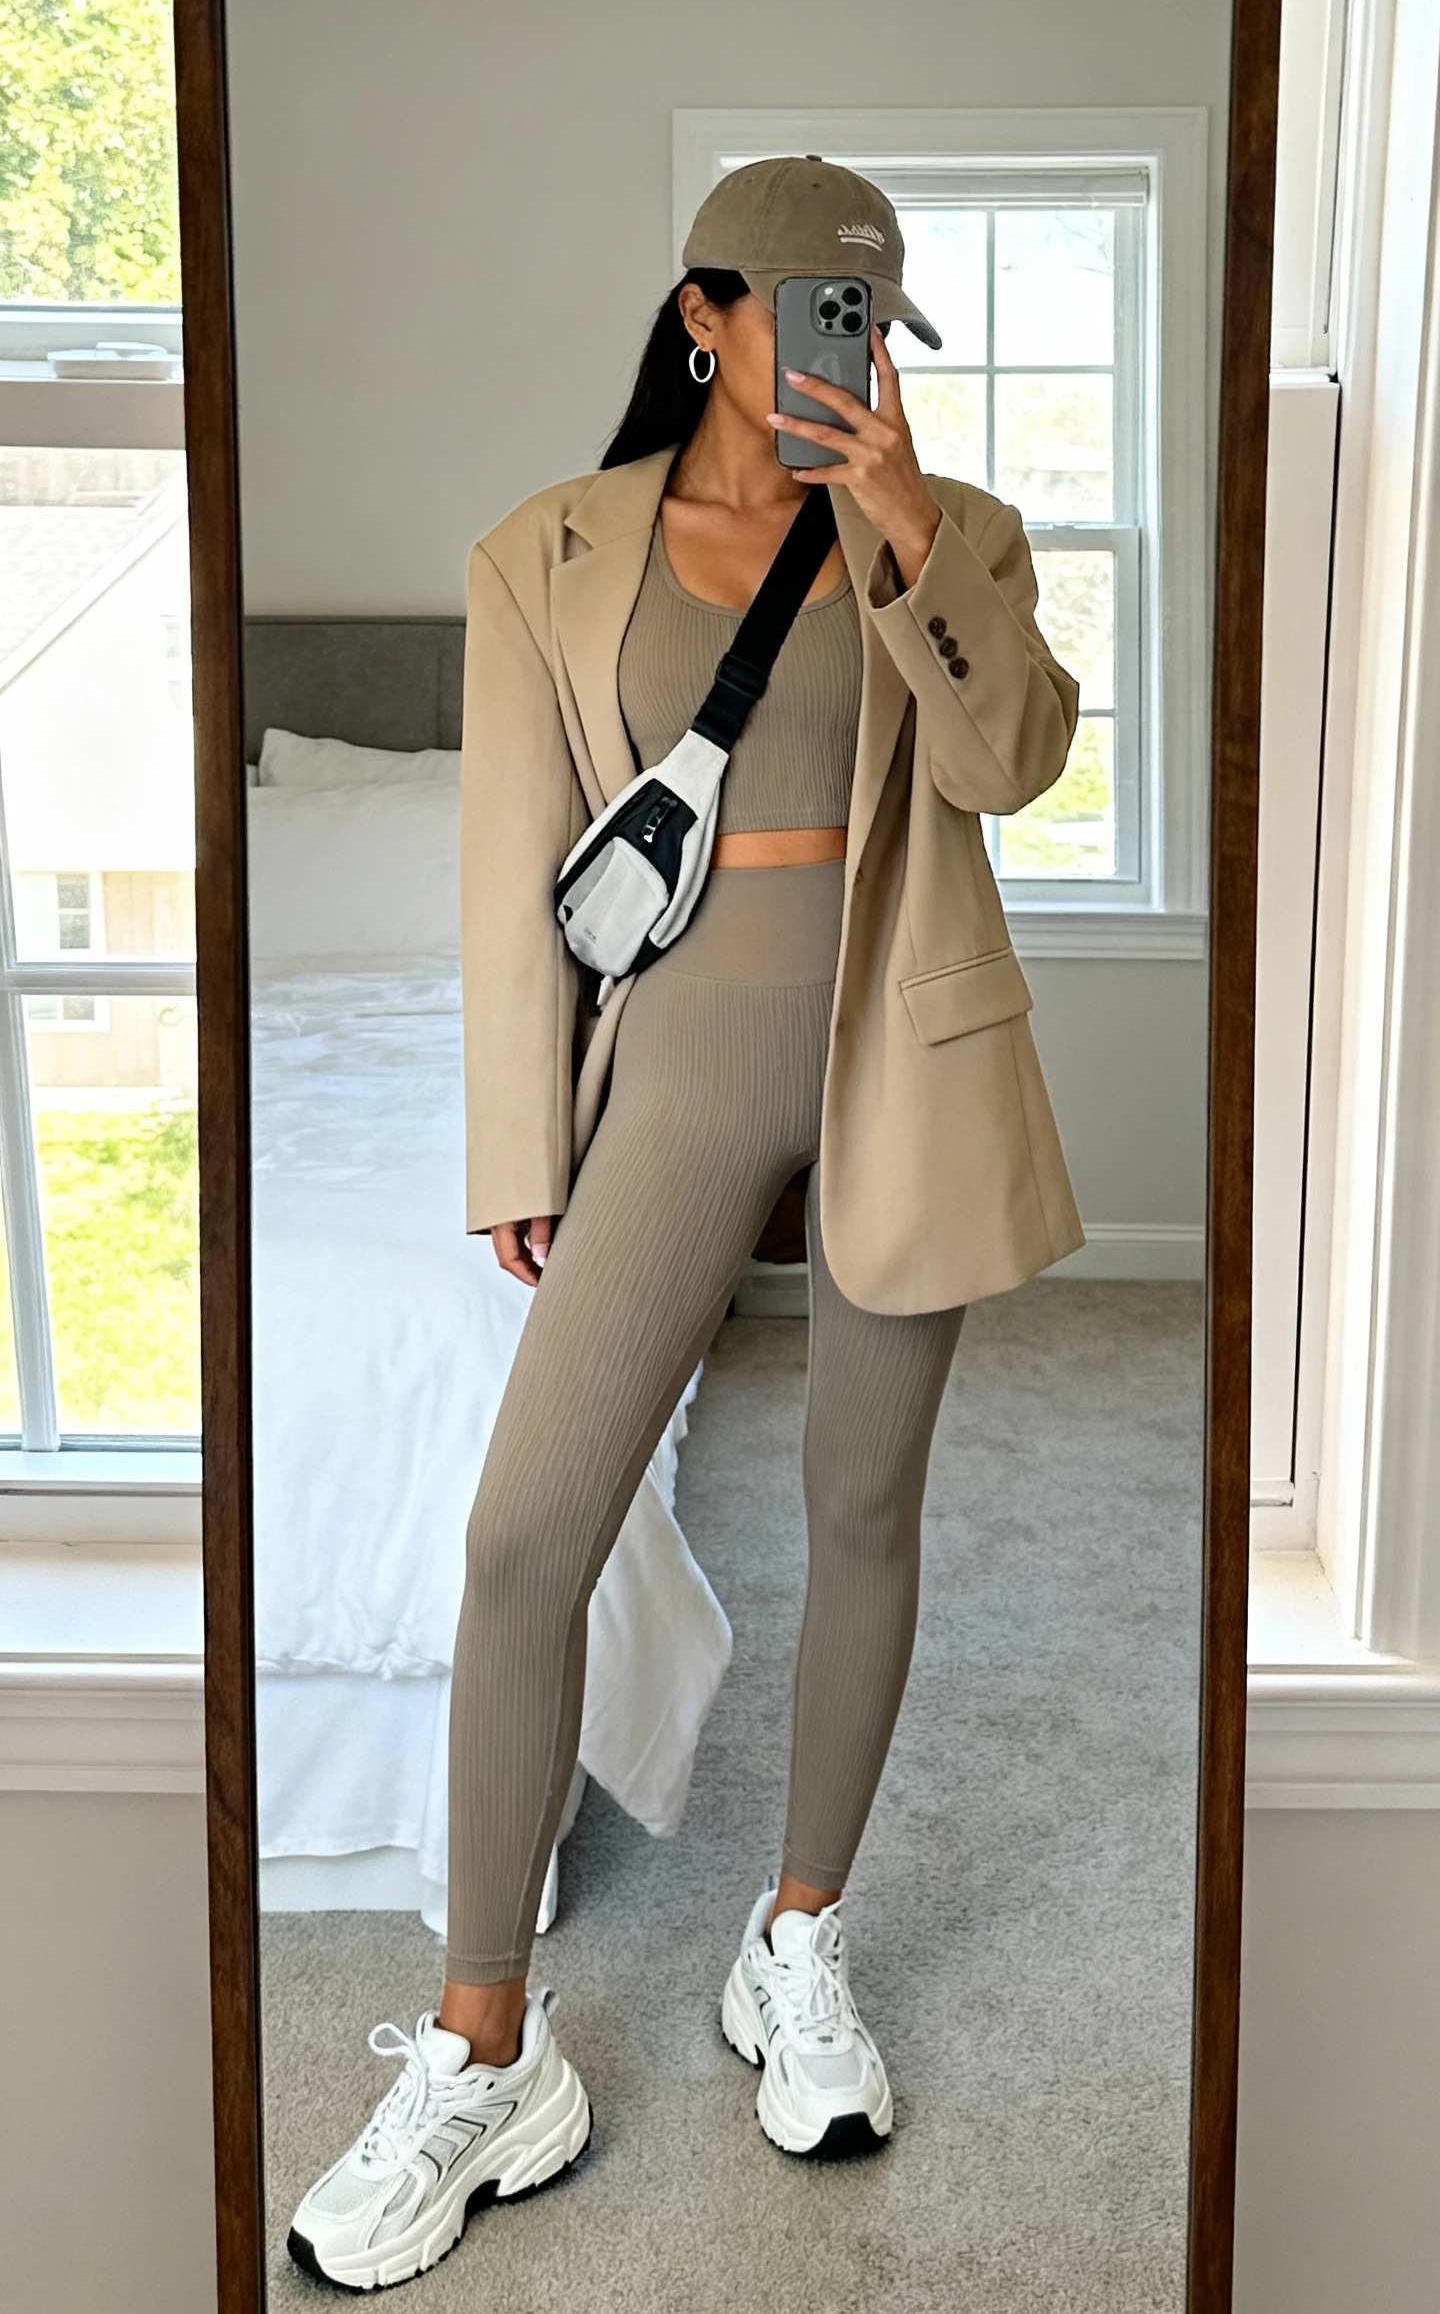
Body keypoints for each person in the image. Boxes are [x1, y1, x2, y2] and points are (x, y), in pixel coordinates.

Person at [288, 156, 1083, 2290]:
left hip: (904, 1049)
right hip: (680, 1060)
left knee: (864, 1510)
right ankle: (485, 2041)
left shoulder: (957, 534)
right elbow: (506, 865)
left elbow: (1011, 761)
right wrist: (518, 1143)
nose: (848, 361)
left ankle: (795, 1937)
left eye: (874, 330)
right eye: (813, 317)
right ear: (709, 313)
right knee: (521, 1531)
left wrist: (910, 529)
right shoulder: (545, 549)